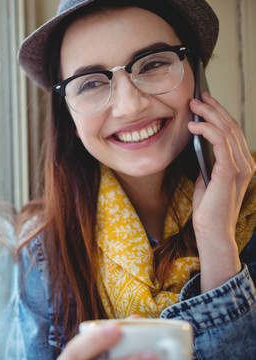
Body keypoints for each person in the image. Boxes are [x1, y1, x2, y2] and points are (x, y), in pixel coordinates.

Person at [13, 0, 256, 359]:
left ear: (197, 76)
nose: (129, 106)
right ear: (70, 118)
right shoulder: (40, 250)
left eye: (154, 63)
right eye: (90, 83)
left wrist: (217, 243)